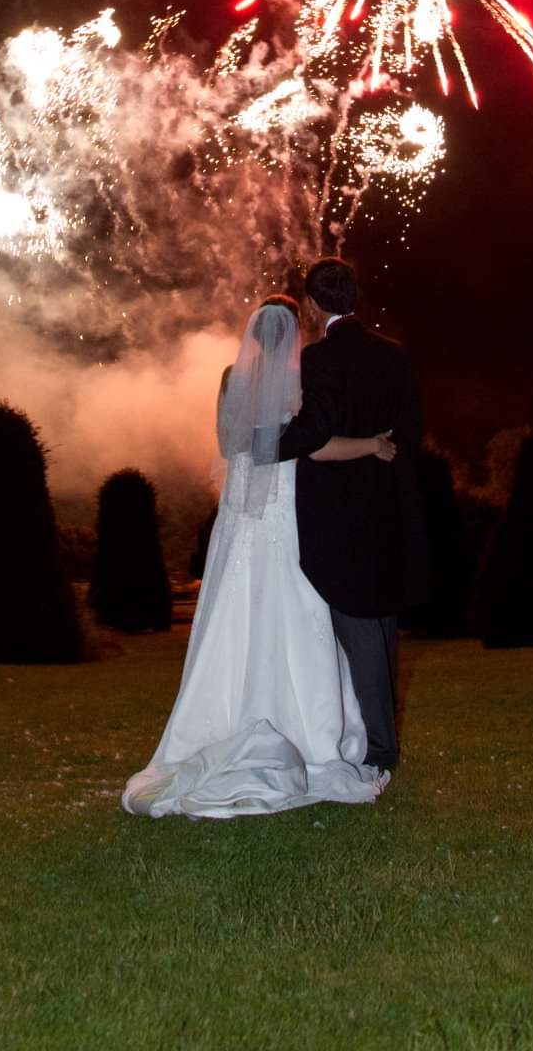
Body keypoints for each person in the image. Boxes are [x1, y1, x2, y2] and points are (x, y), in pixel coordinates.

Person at [121, 294, 396, 819]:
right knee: (297, 612)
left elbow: (228, 448)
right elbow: (312, 447)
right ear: (293, 333)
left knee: (234, 616)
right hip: (287, 518)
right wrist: (372, 445)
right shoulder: (300, 385)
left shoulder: (231, 378)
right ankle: (310, 731)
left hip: (240, 524)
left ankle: (220, 713)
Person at [275, 258, 431, 774]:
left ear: (313, 306)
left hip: (339, 516)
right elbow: (411, 433)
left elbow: (313, 430)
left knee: (361, 629)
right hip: (387, 506)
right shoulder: (396, 356)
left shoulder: (319, 360)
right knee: (381, 629)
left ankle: (381, 751)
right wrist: (382, 452)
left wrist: (266, 443)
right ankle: (373, 737)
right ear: (355, 296)